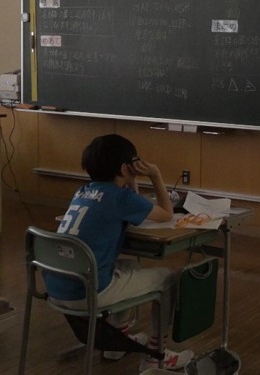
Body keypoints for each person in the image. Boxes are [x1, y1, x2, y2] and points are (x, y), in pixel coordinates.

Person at [44, 134, 194, 371]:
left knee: (128, 266)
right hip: (87, 292)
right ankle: (156, 355)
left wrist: (130, 180)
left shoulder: (83, 191)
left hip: (57, 286)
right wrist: (155, 174)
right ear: (125, 168)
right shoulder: (120, 198)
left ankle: (118, 342)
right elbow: (166, 213)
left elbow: (131, 203)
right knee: (169, 278)